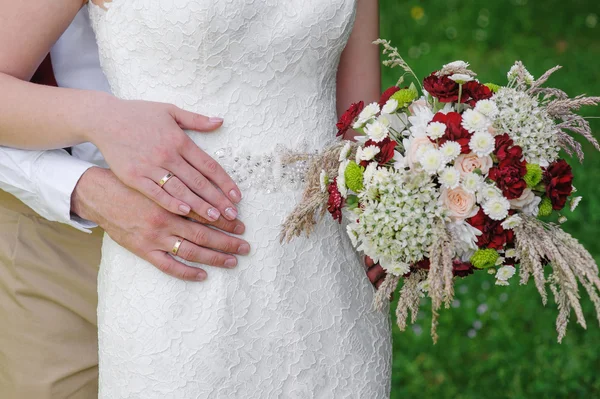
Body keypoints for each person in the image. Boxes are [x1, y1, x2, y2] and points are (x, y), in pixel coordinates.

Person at [0, 0, 390, 397]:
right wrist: (99, 118)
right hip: (170, 273)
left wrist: (407, 206)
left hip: (329, 286)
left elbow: (360, 127)